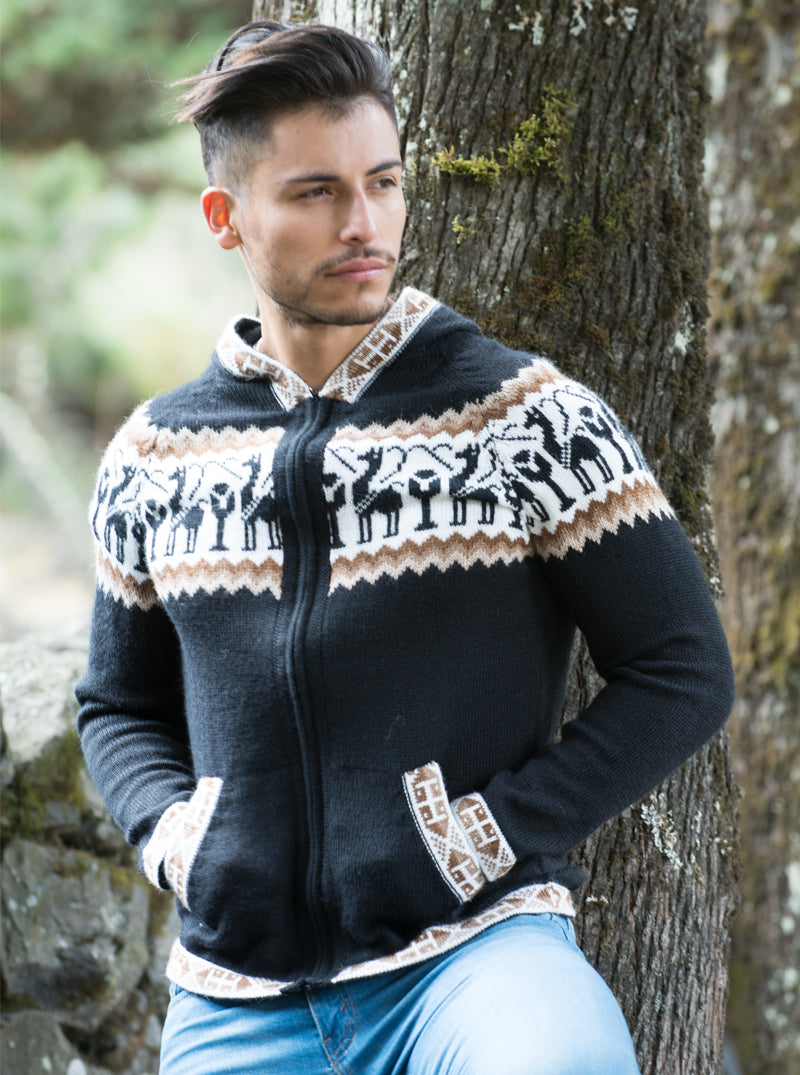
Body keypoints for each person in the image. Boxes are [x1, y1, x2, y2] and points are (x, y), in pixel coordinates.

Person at [75, 20, 734, 1075]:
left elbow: (683, 668)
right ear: (225, 218)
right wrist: (178, 841)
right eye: (315, 193)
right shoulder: (154, 456)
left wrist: (483, 834)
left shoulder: (523, 420)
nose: (363, 223)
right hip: (236, 998)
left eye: (382, 183)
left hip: (475, 962)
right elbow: (117, 705)